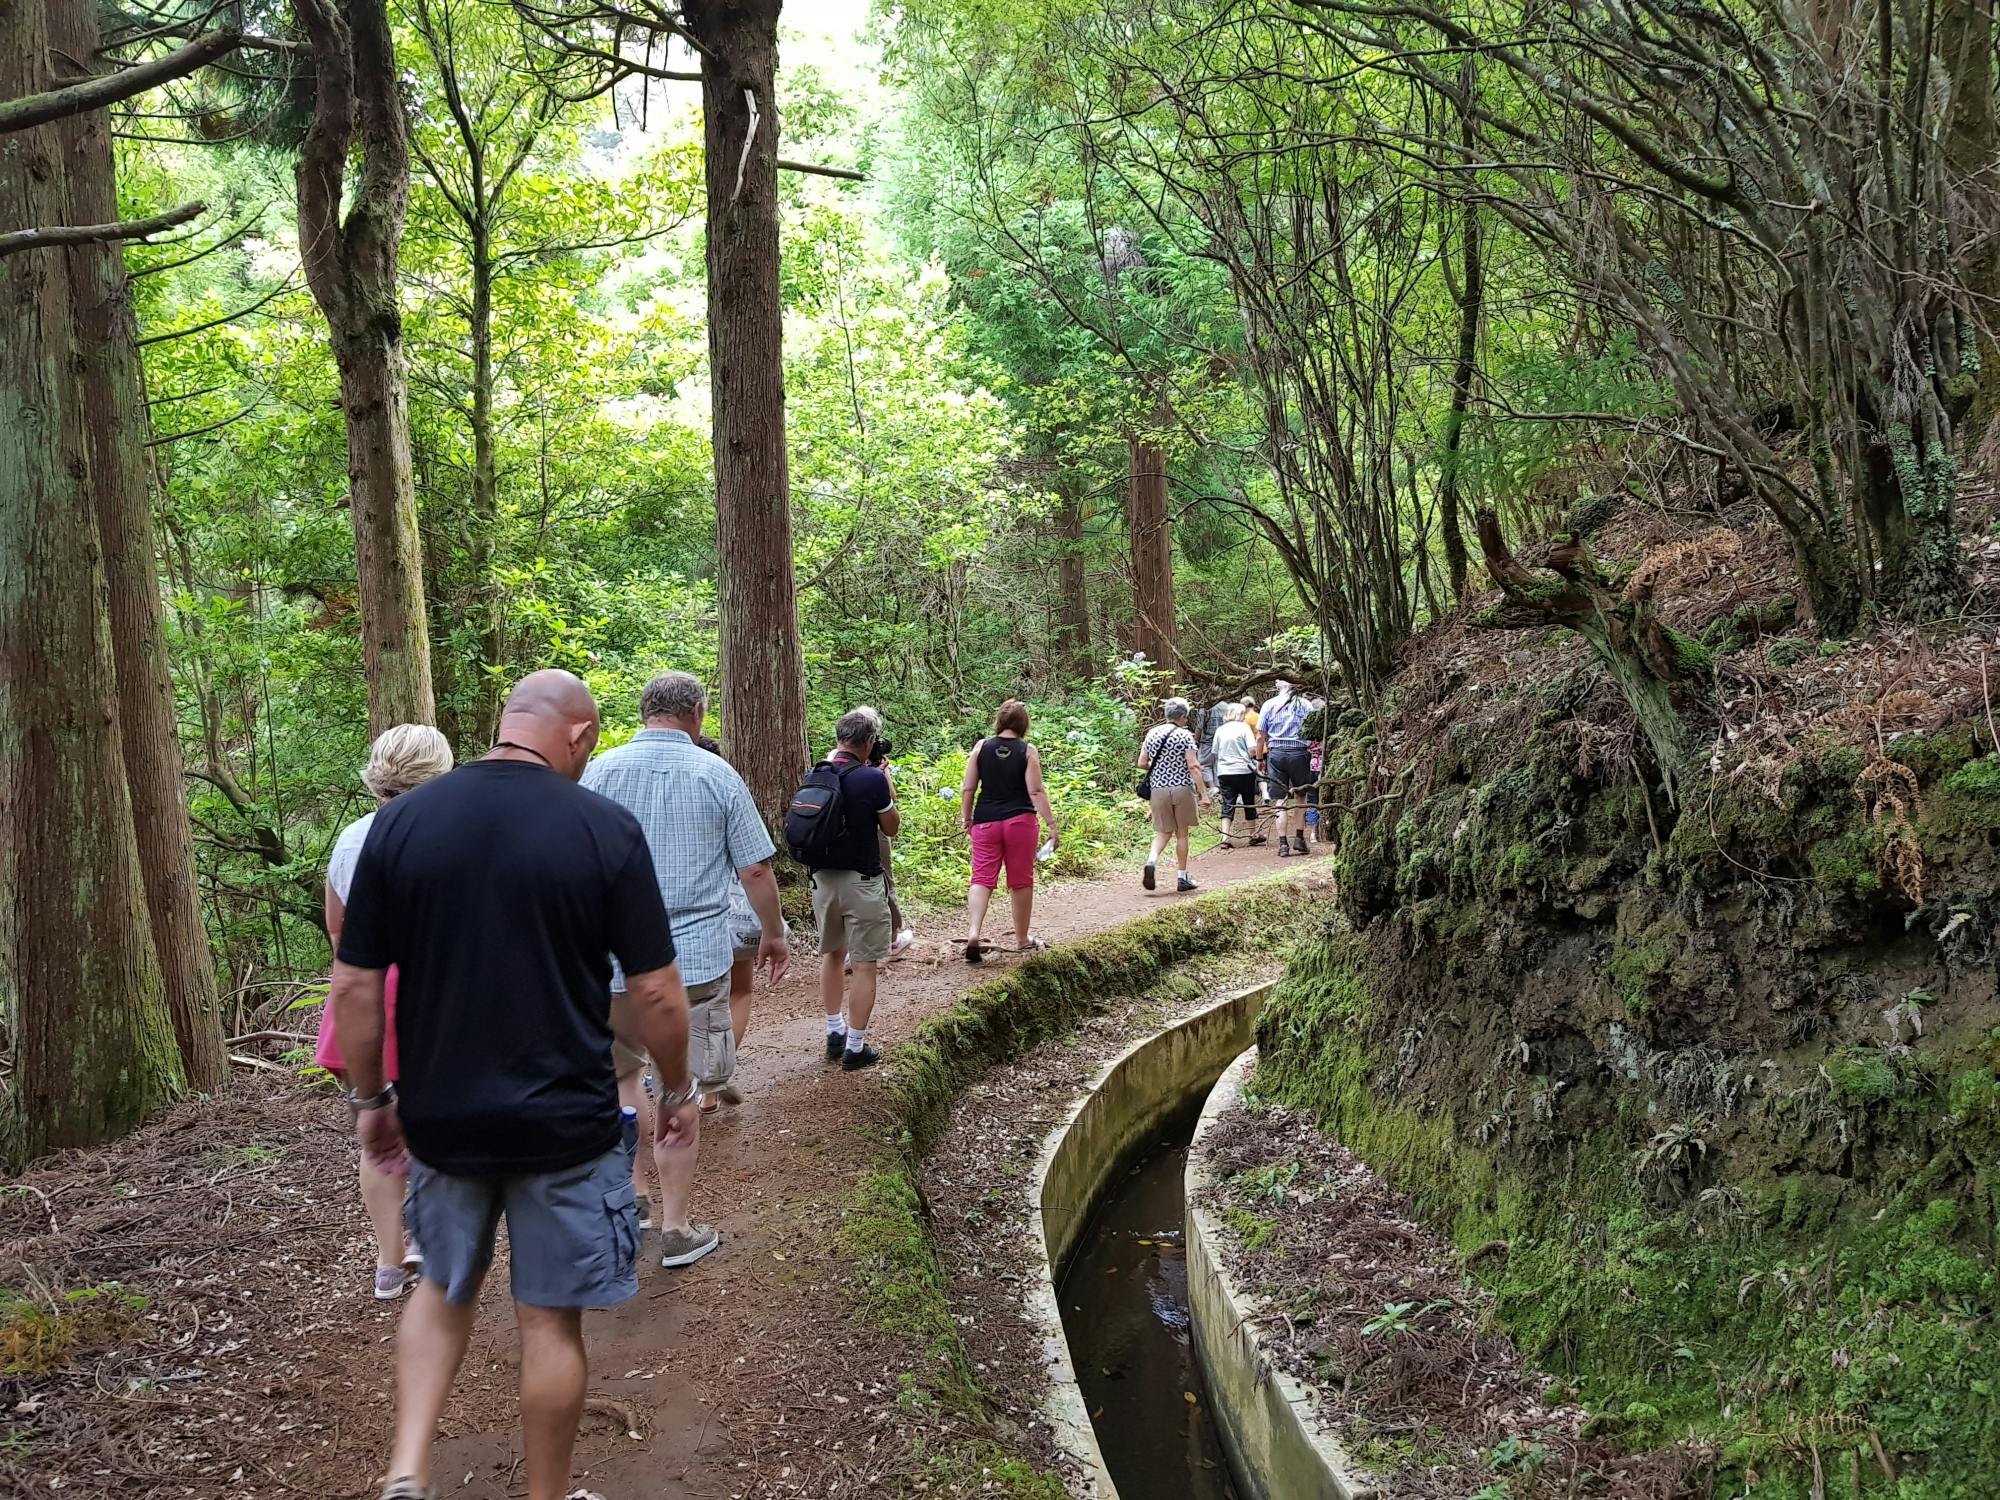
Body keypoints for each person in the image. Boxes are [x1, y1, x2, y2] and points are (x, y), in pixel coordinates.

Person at [330, 670, 699, 1500]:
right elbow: (655, 993)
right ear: (578, 735)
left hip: (442, 1113)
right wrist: (677, 1090)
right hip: (563, 1119)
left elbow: (353, 986)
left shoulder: (402, 824)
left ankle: (407, 1469)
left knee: (441, 1286)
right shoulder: (603, 827)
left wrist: (373, 1101)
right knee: (548, 1318)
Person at [582, 672, 789, 1270]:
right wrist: (773, 932)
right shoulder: (716, 774)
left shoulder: (599, 773)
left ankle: (635, 1197)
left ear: (643, 712)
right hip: (691, 961)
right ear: (697, 713)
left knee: (623, 1077)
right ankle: (676, 1227)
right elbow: (754, 870)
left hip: (611, 960)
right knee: (680, 1086)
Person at [317, 723, 455, 1300]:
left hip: (361, 994)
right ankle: (428, 1237)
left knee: (375, 1131)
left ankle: (388, 1261)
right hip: (430, 994)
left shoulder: (351, 839)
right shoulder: (452, 834)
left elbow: (338, 929)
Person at [806, 706, 899, 1071]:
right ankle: (855, 1047)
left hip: (822, 880)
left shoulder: (816, 773)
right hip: (861, 881)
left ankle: (834, 1030)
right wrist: (883, 781)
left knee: (832, 954)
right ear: (870, 741)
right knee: (864, 964)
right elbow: (891, 827)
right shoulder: (871, 779)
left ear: (839, 739)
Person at [700, 734, 784, 1110]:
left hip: (676, 920)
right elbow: (754, 868)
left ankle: (691, 1081)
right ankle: (713, 1081)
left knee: (681, 1000)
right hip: (732, 914)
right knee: (738, 992)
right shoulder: (726, 788)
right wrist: (773, 928)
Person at [959, 699, 1060, 961]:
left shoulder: (981, 747)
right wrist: (1052, 825)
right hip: (1020, 823)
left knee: (981, 878)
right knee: (1021, 880)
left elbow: (968, 788)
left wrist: (967, 818)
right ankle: (1022, 939)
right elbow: (1035, 791)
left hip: (986, 822)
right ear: (1023, 724)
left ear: (1000, 721)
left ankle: (973, 933)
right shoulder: (1027, 750)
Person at [1138, 696, 1210, 893]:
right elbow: (1193, 766)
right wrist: (1204, 794)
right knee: (1182, 833)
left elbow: (1142, 763)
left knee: (1163, 831)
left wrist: (1161, 766)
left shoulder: (1152, 733)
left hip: (1158, 790)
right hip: (1181, 788)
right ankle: (1182, 877)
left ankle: (1151, 861)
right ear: (1183, 716)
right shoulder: (1185, 735)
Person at [1260, 678, 1317, 857]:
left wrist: (1259, 758)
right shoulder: (1305, 705)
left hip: (1276, 754)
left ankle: (1283, 843)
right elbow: (1313, 729)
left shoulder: (1269, 705)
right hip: (1299, 753)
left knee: (1280, 799)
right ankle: (1299, 838)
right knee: (1301, 796)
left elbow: (1261, 736)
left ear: (1279, 687)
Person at [1211, 704, 1264, 850]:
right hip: (1244, 770)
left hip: (1224, 771)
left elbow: (1215, 751)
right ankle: (1252, 835)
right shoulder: (1244, 728)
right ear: (1241, 714)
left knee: (1227, 803)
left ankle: (1225, 837)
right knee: (1248, 801)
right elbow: (1252, 750)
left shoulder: (1220, 730)